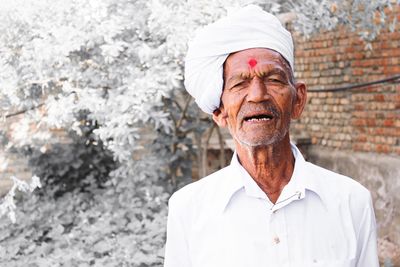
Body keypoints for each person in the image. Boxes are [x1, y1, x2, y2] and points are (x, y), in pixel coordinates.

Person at [164, 5, 378, 267]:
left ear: (298, 100)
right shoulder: (189, 209)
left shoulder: (351, 201)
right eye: (239, 83)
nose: (257, 94)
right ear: (219, 111)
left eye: (274, 79)